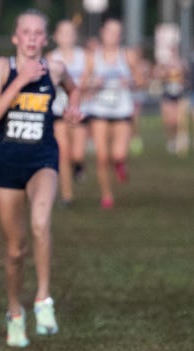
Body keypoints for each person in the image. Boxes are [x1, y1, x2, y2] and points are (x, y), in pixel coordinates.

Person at [0, 9, 81, 348]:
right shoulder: (1, 67)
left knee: (41, 223)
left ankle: (43, 299)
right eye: (27, 32)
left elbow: (74, 89)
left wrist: (72, 110)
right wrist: (21, 80)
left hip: (43, 159)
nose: (33, 38)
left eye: (39, 33)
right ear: (16, 37)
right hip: (8, 163)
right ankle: (14, 312)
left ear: (46, 38)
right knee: (14, 250)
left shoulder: (56, 69)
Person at [80, 18, 143, 209]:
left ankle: (120, 163)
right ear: (102, 32)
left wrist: (130, 82)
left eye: (117, 32)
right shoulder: (92, 56)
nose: (113, 35)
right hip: (99, 109)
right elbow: (81, 84)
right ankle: (107, 195)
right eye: (110, 31)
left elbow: (141, 80)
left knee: (119, 153)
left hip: (122, 108)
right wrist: (93, 84)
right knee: (101, 156)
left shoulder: (128, 55)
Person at [46, 19, 88, 205]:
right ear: (56, 36)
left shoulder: (85, 56)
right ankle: (67, 194)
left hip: (80, 110)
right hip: (58, 111)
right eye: (63, 33)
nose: (67, 37)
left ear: (75, 36)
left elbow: (87, 81)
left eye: (70, 33)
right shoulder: (50, 58)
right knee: (62, 153)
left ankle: (79, 165)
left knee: (77, 154)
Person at [153, 23, 189, 156]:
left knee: (178, 120)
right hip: (167, 93)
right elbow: (157, 75)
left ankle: (180, 138)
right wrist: (164, 72)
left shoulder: (181, 62)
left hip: (178, 94)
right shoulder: (164, 63)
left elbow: (185, 76)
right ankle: (171, 139)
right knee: (168, 120)